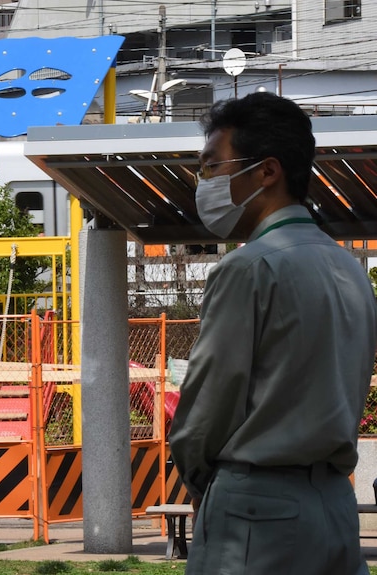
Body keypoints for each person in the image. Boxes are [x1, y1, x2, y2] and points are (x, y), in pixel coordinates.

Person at [169, 92, 377, 575]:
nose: (206, 182)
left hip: (254, 509)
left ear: (267, 171)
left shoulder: (247, 268)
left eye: (213, 166)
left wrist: (206, 485)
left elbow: (206, 409)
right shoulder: (348, 270)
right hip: (332, 503)